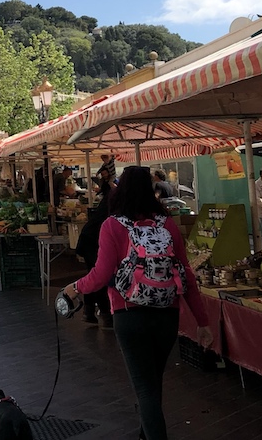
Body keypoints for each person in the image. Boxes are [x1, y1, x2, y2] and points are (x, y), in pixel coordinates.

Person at [63, 166, 212, 440]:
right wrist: (202, 321)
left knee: (145, 388)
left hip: (129, 315)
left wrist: (75, 288)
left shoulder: (112, 225)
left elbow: (101, 274)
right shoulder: (166, 224)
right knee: (153, 384)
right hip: (167, 316)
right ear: (151, 191)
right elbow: (186, 274)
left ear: (121, 190)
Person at [74, 178, 115, 329]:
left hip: (89, 238)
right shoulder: (118, 199)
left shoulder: (113, 197)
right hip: (93, 240)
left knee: (93, 274)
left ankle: (89, 312)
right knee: (100, 277)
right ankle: (106, 315)